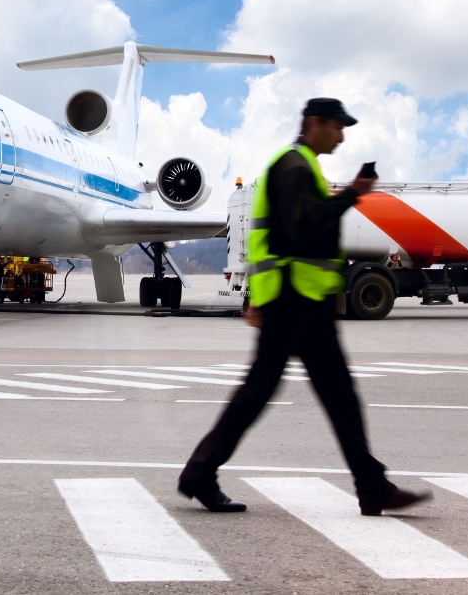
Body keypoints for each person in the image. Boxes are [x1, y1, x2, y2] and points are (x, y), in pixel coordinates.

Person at [178, 97, 432, 516]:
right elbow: (303, 228)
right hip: (292, 300)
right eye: (337, 126)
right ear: (314, 122)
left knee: (332, 393)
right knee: (270, 391)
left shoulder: (302, 166)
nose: (342, 136)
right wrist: (352, 194)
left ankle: (371, 486)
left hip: (304, 301)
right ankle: (200, 473)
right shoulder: (294, 167)